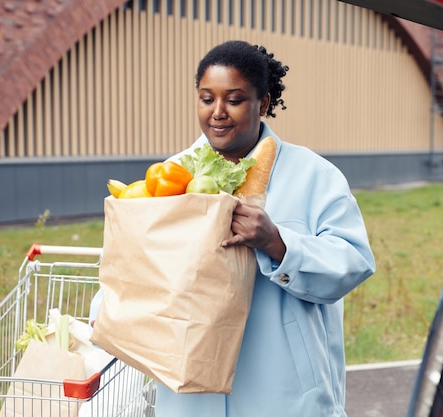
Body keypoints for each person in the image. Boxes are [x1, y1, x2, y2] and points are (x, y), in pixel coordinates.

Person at [153, 40, 376, 417]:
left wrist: (278, 243)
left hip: (283, 393)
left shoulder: (314, 176)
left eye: (234, 99)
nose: (218, 113)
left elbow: (353, 262)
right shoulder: (169, 176)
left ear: (264, 103)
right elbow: (137, 260)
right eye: (207, 99)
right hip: (190, 395)